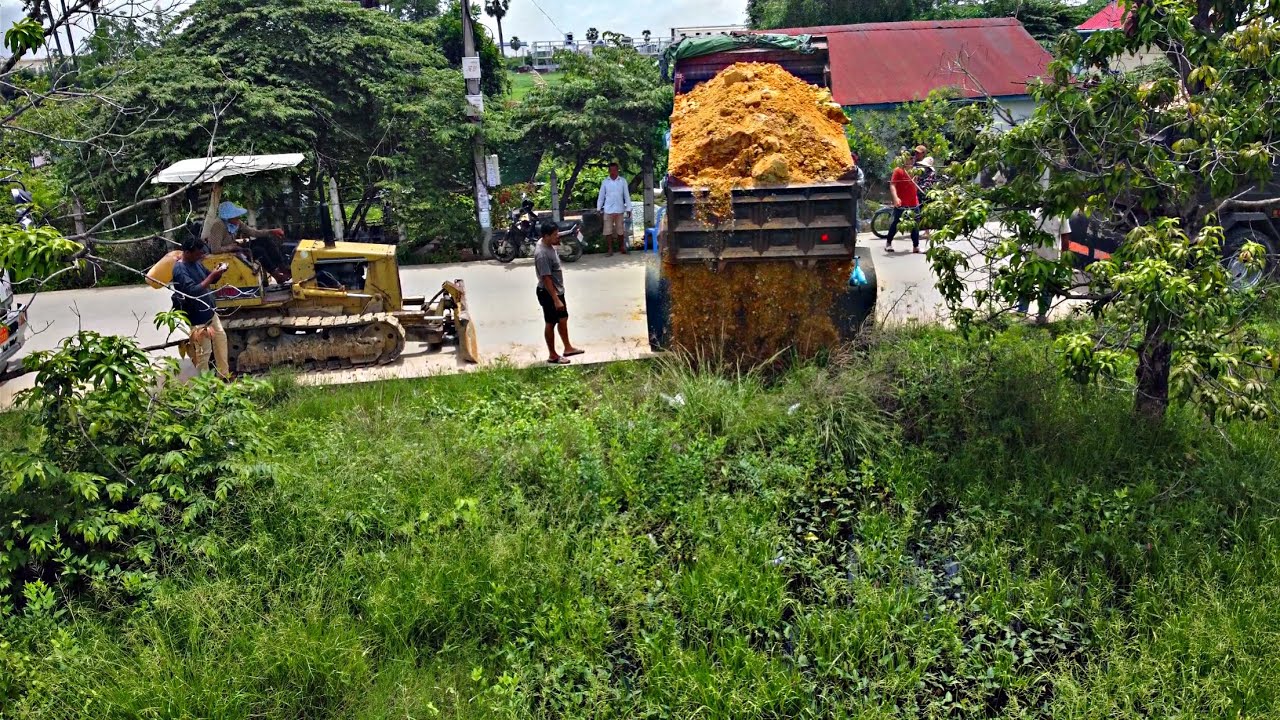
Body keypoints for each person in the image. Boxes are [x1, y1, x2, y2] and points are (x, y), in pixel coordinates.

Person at [172, 235, 230, 379]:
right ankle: (203, 385)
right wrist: (211, 277)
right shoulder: (180, 269)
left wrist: (219, 272)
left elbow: (209, 277)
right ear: (188, 252)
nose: (201, 256)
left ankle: (224, 376)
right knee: (204, 352)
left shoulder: (195, 262)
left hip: (209, 312)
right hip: (197, 317)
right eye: (198, 253)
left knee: (221, 341)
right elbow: (192, 291)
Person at [534, 220, 584, 364]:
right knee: (551, 322)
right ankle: (553, 355)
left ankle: (568, 348)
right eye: (555, 235)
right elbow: (546, 278)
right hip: (549, 293)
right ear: (546, 236)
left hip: (557, 290)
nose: (558, 237)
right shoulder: (542, 254)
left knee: (563, 318)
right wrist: (555, 299)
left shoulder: (548, 243)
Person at [205, 200, 290, 284]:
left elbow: (254, 232)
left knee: (265, 240)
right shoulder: (218, 225)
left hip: (236, 248)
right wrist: (232, 247)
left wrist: (272, 231)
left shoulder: (237, 223)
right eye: (235, 216)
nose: (238, 218)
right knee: (258, 251)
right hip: (228, 253)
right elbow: (215, 249)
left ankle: (282, 267)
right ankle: (276, 275)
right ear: (228, 217)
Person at [886, 151, 922, 253]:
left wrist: (915, 181)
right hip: (901, 203)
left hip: (913, 202)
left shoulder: (915, 171)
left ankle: (916, 246)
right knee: (897, 223)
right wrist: (895, 198)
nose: (911, 160)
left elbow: (915, 187)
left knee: (915, 224)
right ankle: (888, 243)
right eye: (909, 158)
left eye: (912, 158)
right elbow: (892, 185)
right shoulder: (898, 171)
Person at [596, 162, 632, 256]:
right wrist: (599, 208)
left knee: (620, 231)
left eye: (615, 170)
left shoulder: (622, 181)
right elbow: (601, 196)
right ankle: (610, 250)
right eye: (611, 170)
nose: (613, 172)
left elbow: (626, 195)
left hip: (619, 210)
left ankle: (622, 248)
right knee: (608, 231)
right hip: (608, 210)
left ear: (617, 170)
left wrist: (629, 208)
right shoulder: (605, 182)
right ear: (609, 171)